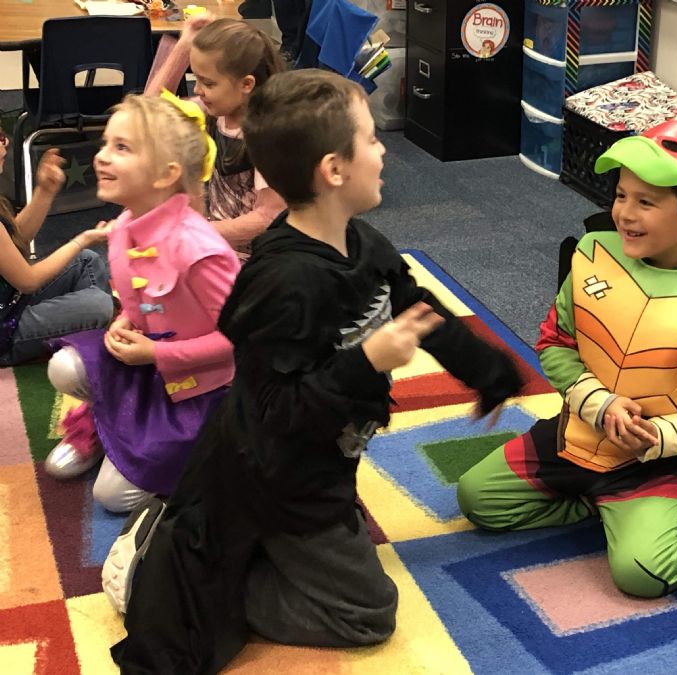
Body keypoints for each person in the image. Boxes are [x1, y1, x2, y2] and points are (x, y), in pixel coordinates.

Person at [106, 69, 524, 673]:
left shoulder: (362, 242)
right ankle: (201, 579)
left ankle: (249, 555)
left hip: (325, 458)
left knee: (341, 550)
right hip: (276, 478)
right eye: (371, 139)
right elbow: (275, 412)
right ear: (333, 170)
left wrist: (490, 372)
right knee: (367, 614)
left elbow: (418, 310)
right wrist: (366, 362)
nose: (383, 151)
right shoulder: (284, 283)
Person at [457, 120, 677, 599]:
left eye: (646, 202)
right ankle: (600, 506)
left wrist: (660, 436)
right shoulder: (592, 252)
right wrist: (599, 404)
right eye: (621, 195)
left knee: (643, 575)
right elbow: (555, 341)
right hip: (576, 435)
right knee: (478, 500)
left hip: (654, 463)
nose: (625, 213)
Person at [43, 94, 241, 513]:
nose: (102, 156)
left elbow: (243, 339)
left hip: (202, 389)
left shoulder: (200, 249)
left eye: (122, 147)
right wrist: (127, 322)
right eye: (106, 144)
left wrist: (158, 353)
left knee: (112, 497)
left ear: (167, 174)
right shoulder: (124, 227)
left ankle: (202, 453)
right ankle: (110, 424)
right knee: (64, 366)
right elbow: (143, 300)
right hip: (147, 366)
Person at [145, 16, 288, 260]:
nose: (197, 90)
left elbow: (268, 216)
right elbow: (146, 114)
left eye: (208, 83)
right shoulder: (215, 111)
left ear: (246, 84)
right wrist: (183, 46)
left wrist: (196, 232)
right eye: (196, 79)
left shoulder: (267, 136)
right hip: (217, 244)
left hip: (251, 261)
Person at [0, 128, 113, 366]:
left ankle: (90, 339)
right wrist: (82, 239)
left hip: (10, 303)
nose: (6, 141)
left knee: (87, 260)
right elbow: (27, 280)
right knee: (99, 304)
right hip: (5, 332)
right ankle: (92, 339)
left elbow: (14, 241)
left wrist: (45, 191)